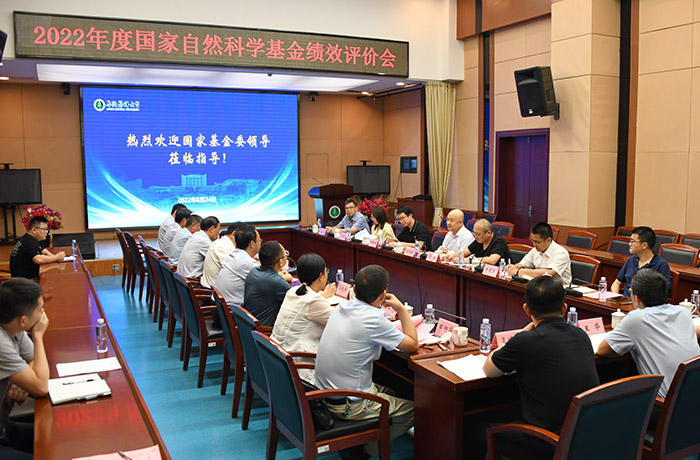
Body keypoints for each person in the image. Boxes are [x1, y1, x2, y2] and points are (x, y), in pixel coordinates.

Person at [482, 275, 599, 460]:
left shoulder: (526, 341)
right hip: (584, 437)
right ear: (564, 308)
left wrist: (521, 333)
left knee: (475, 429)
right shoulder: (580, 335)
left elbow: (489, 370)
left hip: (547, 443)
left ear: (526, 309)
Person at [315, 265, 418, 460]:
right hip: (347, 403)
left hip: (324, 394)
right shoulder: (374, 318)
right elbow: (412, 344)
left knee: (394, 390)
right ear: (383, 294)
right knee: (416, 410)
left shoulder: (342, 307)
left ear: (354, 289)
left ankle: (365, 436)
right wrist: (401, 309)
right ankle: (363, 451)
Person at [598, 269, 700, 399]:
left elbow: (603, 351)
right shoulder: (683, 312)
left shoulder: (636, 318)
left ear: (636, 298)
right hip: (693, 400)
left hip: (663, 405)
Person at [0, 278, 50, 459]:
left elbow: (35, 360)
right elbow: (41, 387)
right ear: (23, 320)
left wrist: (23, 380)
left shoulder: (12, 326)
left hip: (3, 426)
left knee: (55, 440)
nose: (44, 315)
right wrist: (38, 336)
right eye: (40, 310)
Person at [271, 253, 336, 382]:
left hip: (277, 358)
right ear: (320, 276)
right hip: (298, 368)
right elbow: (340, 322)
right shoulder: (313, 301)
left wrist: (324, 296)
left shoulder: (292, 291)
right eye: (326, 271)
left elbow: (309, 305)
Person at [243, 241, 293, 327]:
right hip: (264, 330)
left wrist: (279, 276)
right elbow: (297, 302)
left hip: (249, 324)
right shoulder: (277, 282)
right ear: (280, 261)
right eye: (285, 254)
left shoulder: (254, 271)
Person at [610, 227, 671, 297]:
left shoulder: (661, 265)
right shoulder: (631, 260)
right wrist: (616, 297)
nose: (629, 244)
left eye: (633, 241)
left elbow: (663, 292)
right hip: (625, 301)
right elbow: (616, 283)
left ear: (644, 245)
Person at [506, 222, 571, 284]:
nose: (534, 244)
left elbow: (549, 273)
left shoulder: (561, 253)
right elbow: (523, 264)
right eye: (532, 241)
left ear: (548, 240)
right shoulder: (535, 250)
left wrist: (519, 271)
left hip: (559, 287)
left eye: (537, 242)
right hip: (540, 284)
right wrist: (514, 267)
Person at [214, 225, 261, 307]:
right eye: (259, 240)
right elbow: (266, 280)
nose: (260, 243)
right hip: (233, 311)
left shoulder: (234, 255)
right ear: (252, 244)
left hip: (222, 307)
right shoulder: (246, 262)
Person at [201, 222, 245, 289]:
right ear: (234, 234)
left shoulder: (224, 243)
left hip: (217, 288)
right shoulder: (223, 246)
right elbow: (235, 269)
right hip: (212, 292)